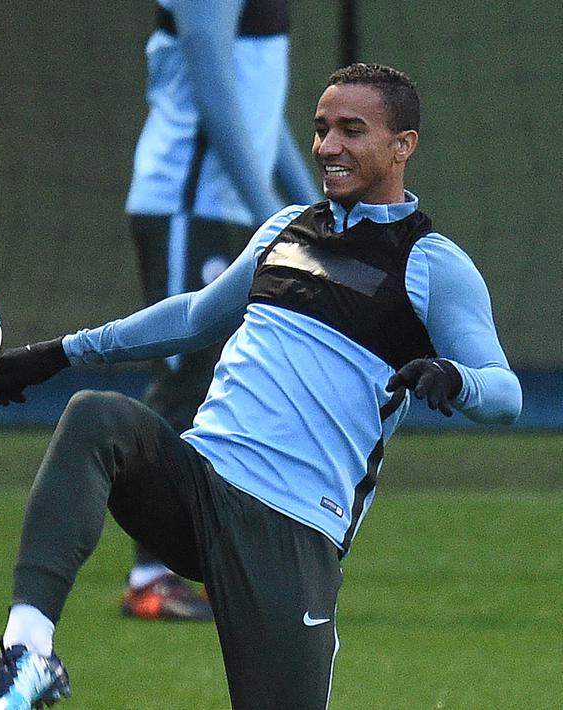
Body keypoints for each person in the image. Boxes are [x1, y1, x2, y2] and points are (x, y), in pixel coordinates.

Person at [0, 63, 521, 709]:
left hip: (289, 537)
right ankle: (27, 652)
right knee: (96, 418)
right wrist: (61, 352)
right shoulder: (284, 229)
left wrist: (455, 378)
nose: (327, 147)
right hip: (199, 487)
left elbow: (504, 393)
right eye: (320, 130)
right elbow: (190, 318)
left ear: (402, 145)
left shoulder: (432, 263)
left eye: (351, 130)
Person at [121, 0, 322, 622]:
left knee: (226, 385)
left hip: (229, 209)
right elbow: (211, 88)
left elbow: (257, 114)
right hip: (190, 203)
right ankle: (149, 576)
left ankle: (203, 562)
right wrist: (275, 216)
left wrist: (310, 208)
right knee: (184, 383)